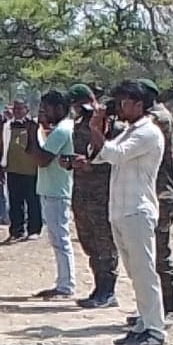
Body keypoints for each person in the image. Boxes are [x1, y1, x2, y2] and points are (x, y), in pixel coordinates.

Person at [89, 81, 167, 345]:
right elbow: (99, 156)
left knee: (145, 271)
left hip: (138, 209)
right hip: (122, 210)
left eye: (124, 102)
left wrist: (96, 129)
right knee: (135, 272)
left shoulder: (148, 133)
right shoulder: (130, 131)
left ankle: (155, 330)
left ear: (139, 104)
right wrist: (101, 133)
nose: (120, 107)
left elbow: (114, 154)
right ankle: (144, 323)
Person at [67, 85, 120, 308]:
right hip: (82, 191)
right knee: (88, 241)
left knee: (104, 241)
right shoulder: (78, 126)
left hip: (103, 191)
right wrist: (69, 161)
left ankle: (108, 291)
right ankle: (98, 287)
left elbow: (113, 155)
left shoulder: (112, 125)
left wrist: (92, 166)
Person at [25, 91, 76, 297]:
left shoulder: (62, 130)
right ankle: (63, 282)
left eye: (46, 109)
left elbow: (42, 159)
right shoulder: (60, 129)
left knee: (61, 239)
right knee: (57, 239)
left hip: (57, 190)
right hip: (52, 188)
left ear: (59, 108)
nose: (44, 113)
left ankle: (66, 285)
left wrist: (31, 133)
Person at [137, 80, 173, 328]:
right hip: (152, 193)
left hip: (161, 194)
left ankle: (169, 308)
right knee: (148, 256)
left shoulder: (158, 119)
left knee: (159, 255)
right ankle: (152, 309)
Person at [0, 99, 43, 240]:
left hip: (31, 170)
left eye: (20, 109)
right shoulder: (7, 126)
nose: (17, 112)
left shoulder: (34, 126)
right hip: (13, 169)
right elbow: (3, 146)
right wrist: (1, 167)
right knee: (14, 202)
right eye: (15, 109)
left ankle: (34, 230)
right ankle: (16, 231)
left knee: (33, 201)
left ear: (27, 110)